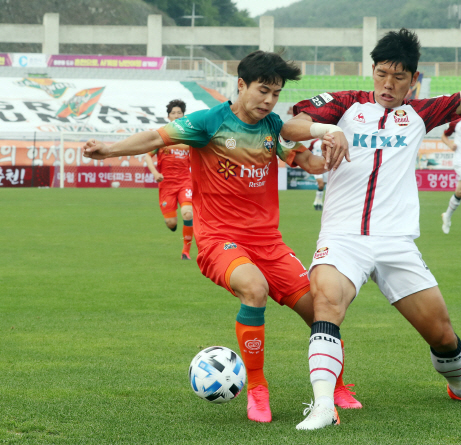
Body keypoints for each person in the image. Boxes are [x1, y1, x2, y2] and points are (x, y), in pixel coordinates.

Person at [281, 28, 461, 430]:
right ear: (373, 70)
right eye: (383, 73)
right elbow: (291, 127)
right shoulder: (343, 104)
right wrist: (326, 130)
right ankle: (321, 406)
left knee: (441, 332)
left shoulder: (421, 114)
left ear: (413, 79)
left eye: (399, 77)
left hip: (396, 242)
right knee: (327, 305)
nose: (389, 84)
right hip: (342, 238)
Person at [82, 50, 361, 424]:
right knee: (254, 288)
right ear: (241, 85)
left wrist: (327, 154)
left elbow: (307, 162)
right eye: (263, 91)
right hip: (219, 239)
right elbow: (154, 137)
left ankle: (336, 385)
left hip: (269, 243)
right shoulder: (207, 123)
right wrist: (107, 151)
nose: (269, 101)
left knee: (322, 311)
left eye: (276, 94)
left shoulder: (273, 127)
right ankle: (258, 389)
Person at [143, 99, 195, 259]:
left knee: (188, 214)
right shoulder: (162, 137)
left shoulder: (189, 137)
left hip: (185, 182)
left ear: (183, 116)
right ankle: (174, 225)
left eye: (179, 113)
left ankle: (185, 251)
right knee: (171, 223)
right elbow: (147, 155)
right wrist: (155, 173)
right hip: (166, 185)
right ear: (169, 116)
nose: (177, 115)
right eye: (174, 113)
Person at [309, 139, 328, 210]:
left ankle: (317, 202)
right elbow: (308, 150)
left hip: (326, 166)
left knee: (323, 185)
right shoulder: (314, 142)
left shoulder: (329, 141)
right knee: (321, 183)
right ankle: (318, 203)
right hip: (316, 166)